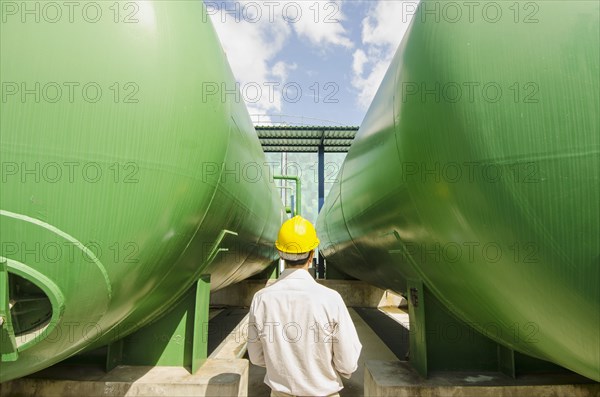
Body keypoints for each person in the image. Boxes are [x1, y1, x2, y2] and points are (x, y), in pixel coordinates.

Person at [247, 215, 362, 397]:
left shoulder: (261, 299)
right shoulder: (331, 299)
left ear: (280, 253)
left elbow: (256, 357)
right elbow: (347, 363)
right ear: (312, 254)